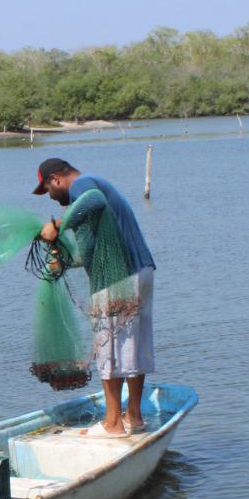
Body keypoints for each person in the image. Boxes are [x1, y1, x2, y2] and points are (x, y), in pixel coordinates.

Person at [34, 157, 157, 436]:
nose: (52, 198)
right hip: (141, 270)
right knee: (134, 346)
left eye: (48, 191)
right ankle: (133, 417)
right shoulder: (92, 190)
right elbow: (92, 249)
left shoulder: (82, 186)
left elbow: (94, 200)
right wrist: (65, 262)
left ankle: (112, 423)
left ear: (56, 179)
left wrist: (58, 223)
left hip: (119, 278)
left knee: (108, 346)